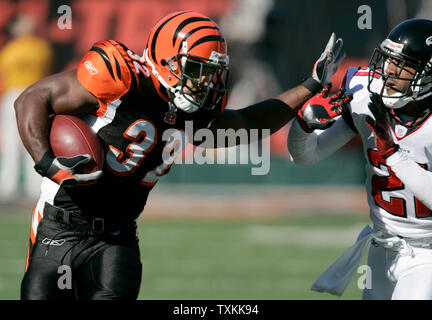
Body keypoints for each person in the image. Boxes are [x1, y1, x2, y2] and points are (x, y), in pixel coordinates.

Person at [15, 11, 345, 300]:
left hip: (118, 235)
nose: (204, 83)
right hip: (60, 226)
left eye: (211, 73)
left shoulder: (194, 111)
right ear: (165, 58)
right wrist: (47, 162)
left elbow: (248, 122)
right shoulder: (120, 78)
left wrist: (311, 84)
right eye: (197, 70)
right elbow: (33, 97)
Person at [288, 18, 432, 300]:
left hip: (427, 254)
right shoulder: (366, 95)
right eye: (388, 61)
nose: (388, 72)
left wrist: (394, 154)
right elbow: (306, 156)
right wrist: (303, 124)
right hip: (381, 248)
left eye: (401, 66)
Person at [0, 14, 53, 201]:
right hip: (35, 96)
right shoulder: (42, 48)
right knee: (36, 140)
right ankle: (35, 186)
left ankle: (7, 186)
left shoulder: (11, 49)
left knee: (12, 143)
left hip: (14, 95)